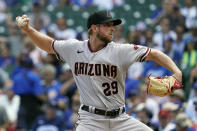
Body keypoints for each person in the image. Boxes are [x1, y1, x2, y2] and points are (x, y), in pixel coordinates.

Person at [16, 10, 182, 131]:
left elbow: (154, 54)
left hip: (120, 119)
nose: (112, 29)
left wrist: (176, 72)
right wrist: (28, 30)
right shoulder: (74, 48)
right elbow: (49, 45)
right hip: (90, 120)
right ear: (94, 28)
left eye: (113, 25)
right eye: (107, 25)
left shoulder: (120, 50)